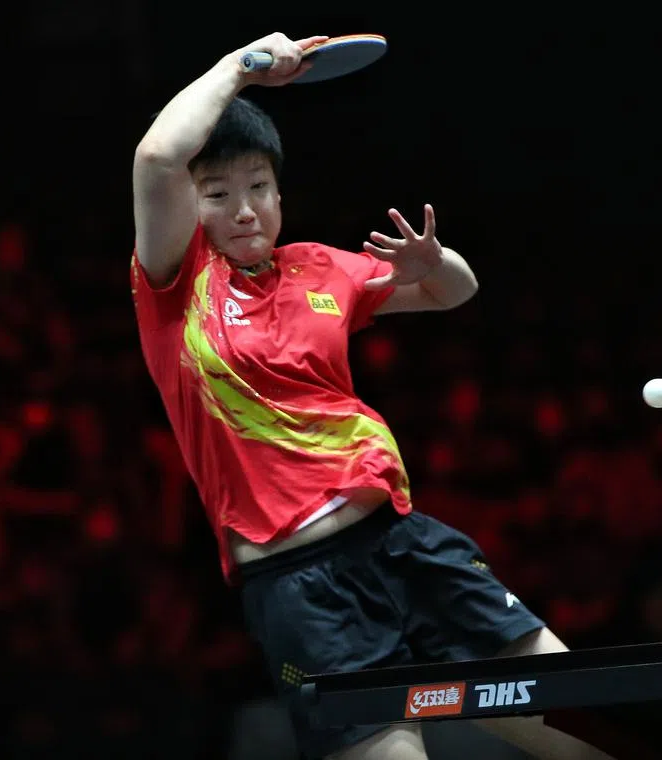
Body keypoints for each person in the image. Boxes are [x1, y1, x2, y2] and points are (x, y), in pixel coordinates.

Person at [130, 32, 613, 760]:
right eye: (218, 193)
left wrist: (435, 261)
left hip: (405, 544)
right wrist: (241, 70)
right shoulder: (175, 286)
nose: (244, 209)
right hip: (304, 593)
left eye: (259, 186)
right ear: (189, 206)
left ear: (280, 192)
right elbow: (157, 156)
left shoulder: (322, 269)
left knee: (582, 733)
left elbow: (454, 292)